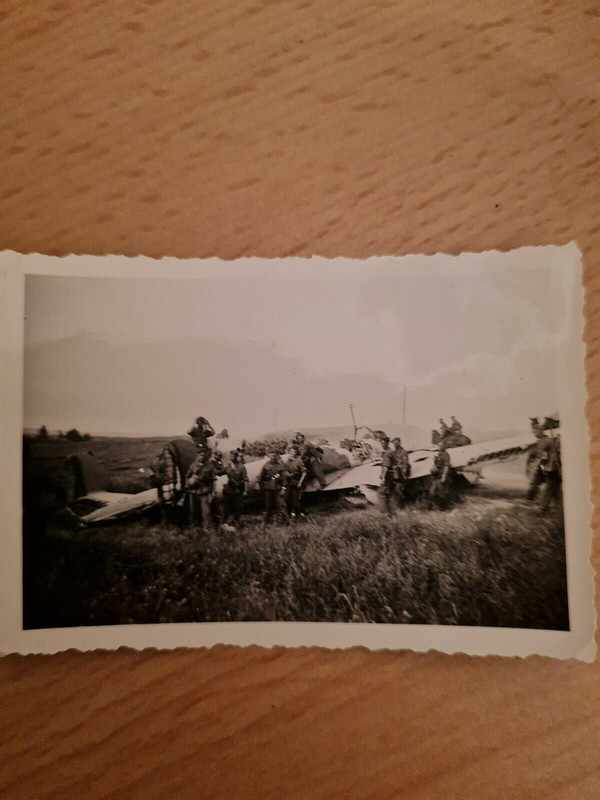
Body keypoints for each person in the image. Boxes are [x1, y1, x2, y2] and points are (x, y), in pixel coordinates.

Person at [527, 428, 561, 512]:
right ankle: (543, 506)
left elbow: (542, 456)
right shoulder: (549, 441)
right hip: (552, 467)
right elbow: (543, 457)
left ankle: (543, 504)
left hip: (551, 466)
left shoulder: (545, 441)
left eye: (535, 431)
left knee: (552, 485)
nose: (534, 434)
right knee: (551, 485)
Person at [186, 446, 217, 529]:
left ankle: (206, 528)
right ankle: (194, 527)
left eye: (203, 455)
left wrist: (213, 492)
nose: (202, 457)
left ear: (206, 455)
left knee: (206, 511)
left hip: (204, 492)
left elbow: (214, 480)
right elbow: (187, 476)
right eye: (200, 455)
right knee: (193, 510)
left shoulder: (210, 466)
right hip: (194, 492)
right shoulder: (193, 466)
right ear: (197, 455)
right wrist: (190, 483)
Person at [259, 450, 288, 524]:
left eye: (274, 455)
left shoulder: (280, 465)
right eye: (271, 454)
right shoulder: (266, 465)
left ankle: (285, 521)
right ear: (269, 455)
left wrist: (283, 488)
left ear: (276, 455)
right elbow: (261, 476)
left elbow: (284, 478)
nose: (273, 456)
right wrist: (262, 485)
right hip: (268, 488)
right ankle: (268, 520)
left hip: (278, 488)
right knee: (268, 506)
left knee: (281, 505)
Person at [221, 449, 248, 526]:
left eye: (233, 456)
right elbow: (220, 472)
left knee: (238, 507)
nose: (231, 457)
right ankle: (223, 522)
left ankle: (237, 521)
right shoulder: (228, 466)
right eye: (230, 456)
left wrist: (245, 490)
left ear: (236, 456)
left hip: (237, 490)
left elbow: (245, 479)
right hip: (229, 489)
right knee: (226, 506)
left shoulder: (241, 466)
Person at [285, 445, 307, 518]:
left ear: (296, 453)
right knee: (287, 497)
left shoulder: (299, 461)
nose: (292, 453)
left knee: (296, 498)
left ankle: (297, 513)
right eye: (291, 451)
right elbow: (285, 470)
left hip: (297, 480)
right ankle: (291, 512)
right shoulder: (288, 461)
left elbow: (304, 473)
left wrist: (300, 482)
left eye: (294, 452)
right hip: (290, 481)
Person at [378, 435, 397, 514]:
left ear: (387, 443)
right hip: (393, 476)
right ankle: (392, 512)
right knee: (391, 494)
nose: (382, 445)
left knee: (382, 493)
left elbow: (386, 467)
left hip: (388, 476)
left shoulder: (387, 453)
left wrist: (383, 478)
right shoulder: (391, 451)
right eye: (381, 443)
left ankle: (384, 512)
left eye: (383, 443)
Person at [391, 437, 411, 507]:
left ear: (399, 443)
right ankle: (399, 504)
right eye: (394, 443)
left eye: (396, 443)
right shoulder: (393, 452)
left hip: (401, 474)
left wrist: (399, 467)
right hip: (395, 474)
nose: (395, 445)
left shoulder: (404, 452)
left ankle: (405, 503)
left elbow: (405, 464)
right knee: (395, 489)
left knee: (398, 489)